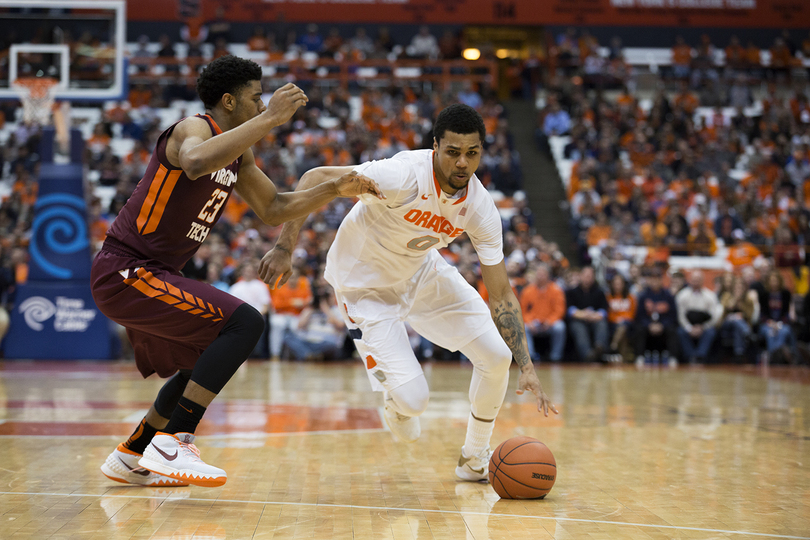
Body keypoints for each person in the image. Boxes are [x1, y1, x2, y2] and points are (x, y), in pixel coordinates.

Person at [91, 55, 383, 488]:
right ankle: (176, 442)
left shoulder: (238, 154)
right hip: (127, 270)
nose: (261, 103)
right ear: (229, 101)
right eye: (256, 98)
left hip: (154, 273)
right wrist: (270, 118)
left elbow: (274, 208)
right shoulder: (195, 128)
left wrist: (333, 190)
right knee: (245, 322)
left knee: (199, 363)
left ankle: (133, 453)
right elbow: (193, 162)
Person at [261, 103, 557, 482]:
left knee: (498, 357)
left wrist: (527, 365)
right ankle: (395, 400)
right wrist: (285, 248)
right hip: (362, 287)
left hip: (421, 273)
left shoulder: (480, 207)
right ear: (435, 148)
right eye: (453, 153)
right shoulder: (400, 175)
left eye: (472, 153)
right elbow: (313, 177)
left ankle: (474, 458)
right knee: (414, 404)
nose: (462, 164)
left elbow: (501, 293)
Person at [519, 263, 566, 362]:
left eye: (542, 274)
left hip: (549, 323)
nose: (540, 276)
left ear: (548, 275)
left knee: (560, 327)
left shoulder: (556, 290)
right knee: (524, 327)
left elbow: (559, 310)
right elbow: (522, 310)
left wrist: (550, 321)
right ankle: (530, 356)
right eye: (538, 273)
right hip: (533, 322)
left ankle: (555, 357)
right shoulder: (528, 290)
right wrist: (529, 322)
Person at [676, 270, 722, 363]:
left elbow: (714, 316)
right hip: (688, 325)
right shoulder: (682, 295)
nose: (696, 282)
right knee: (680, 331)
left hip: (704, 326)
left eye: (698, 280)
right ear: (690, 280)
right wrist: (689, 328)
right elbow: (681, 316)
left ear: (702, 281)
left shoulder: (710, 296)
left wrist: (703, 327)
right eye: (694, 280)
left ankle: (700, 356)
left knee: (711, 332)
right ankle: (691, 356)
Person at [634, 270, 678, 366]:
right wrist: (649, 325)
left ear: (661, 280)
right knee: (639, 329)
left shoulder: (668, 296)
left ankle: (672, 357)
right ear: (649, 281)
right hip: (648, 325)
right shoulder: (643, 296)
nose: (655, 282)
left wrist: (662, 325)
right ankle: (639, 356)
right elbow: (639, 315)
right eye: (652, 279)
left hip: (663, 325)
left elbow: (673, 315)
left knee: (672, 329)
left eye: (657, 279)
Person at [565, 266, 609, 362]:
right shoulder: (571, 292)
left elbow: (604, 311)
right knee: (578, 328)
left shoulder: (600, 292)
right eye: (585, 276)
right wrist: (584, 314)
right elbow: (570, 311)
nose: (587, 278)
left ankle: (599, 347)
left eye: (590, 276)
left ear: (593, 278)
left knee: (602, 324)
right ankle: (588, 355)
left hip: (595, 319)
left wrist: (593, 316)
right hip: (578, 320)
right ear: (580, 276)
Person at [758, 270, 796, 363]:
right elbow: (762, 315)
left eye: (776, 280)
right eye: (772, 280)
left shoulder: (785, 294)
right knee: (770, 332)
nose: (774, 283)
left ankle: (779, 358)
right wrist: (771, 323)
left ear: (779, 281)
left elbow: (786, 313)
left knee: (783, 331)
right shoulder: (764, 294)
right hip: (767, 324)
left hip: (782, 323)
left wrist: (779, 323)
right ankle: (774, 358)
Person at [719, 275, 757, 361]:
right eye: (736, 287)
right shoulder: (727, 296)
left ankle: (739, 354)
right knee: (736, 320)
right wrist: (734, 301)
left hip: (739, 326)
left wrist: (741, 307)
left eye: (740, 287)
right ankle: (747, 333)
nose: (738, 289)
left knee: (737, 326)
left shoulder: (748, 299)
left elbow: (750, 316)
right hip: (726, 324)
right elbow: (722, 313)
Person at [606, 274, 636, 362]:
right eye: (615, 284)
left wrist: (623, 318)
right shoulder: (608, 297)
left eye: (619, 284)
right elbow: (608, 313)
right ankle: (624, 359)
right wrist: (617, 319)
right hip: (613, 323)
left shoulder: (630, 297)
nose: (617, 286)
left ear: (623, 285)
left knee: (623, 327)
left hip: (628, 323)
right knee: (622, 331)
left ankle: (613, 345)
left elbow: (632, 313)